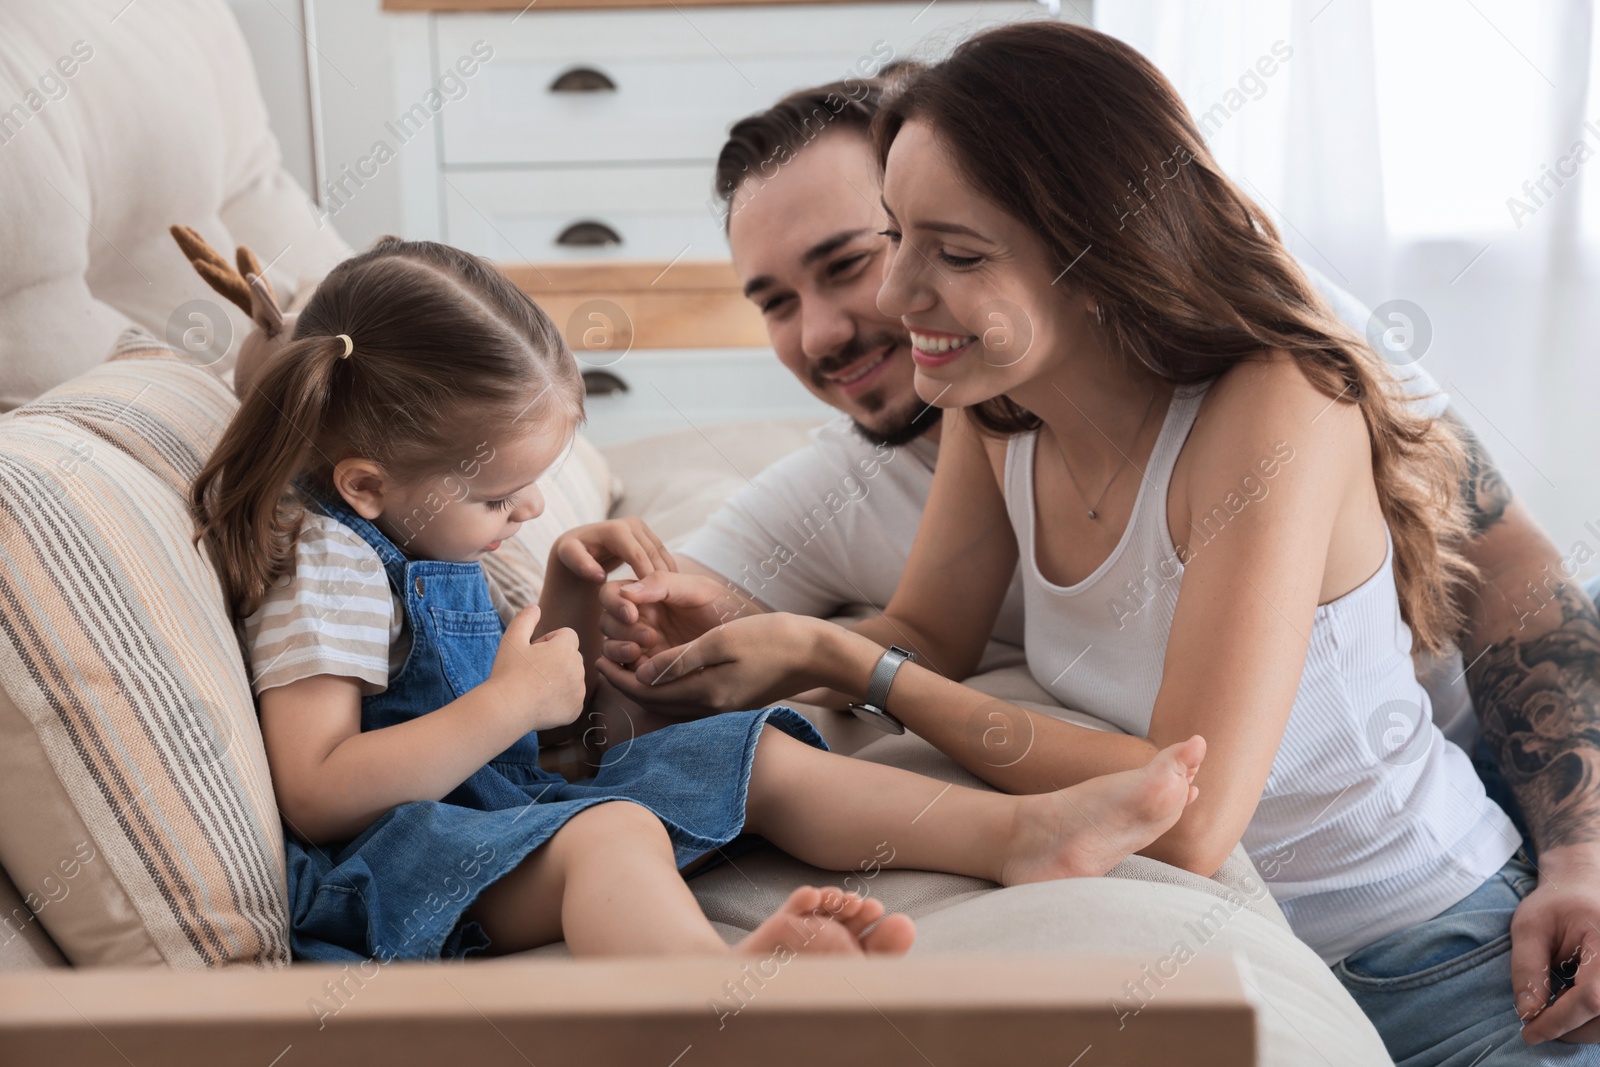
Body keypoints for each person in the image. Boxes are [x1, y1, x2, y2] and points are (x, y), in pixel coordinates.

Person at [595, 23, 1600, 1062]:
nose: (894, 300)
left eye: (955, 253)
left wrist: (848, 657)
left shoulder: (1275, 400)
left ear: (1097, 251)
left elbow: (1189, 816)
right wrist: (761, 639)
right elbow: (925, 634)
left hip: (1444, 955)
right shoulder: (997, 407)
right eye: (897, 238)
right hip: (1257, 958)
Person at [188, 235, 1207, 963]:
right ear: (365, 482)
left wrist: (566, 596)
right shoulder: (326, 566)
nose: (530, 505)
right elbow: (319, 789)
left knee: (753, 749)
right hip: (406, 874)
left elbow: (552, 745)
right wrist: (510, 700)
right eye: (502, 495)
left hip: (497, 813)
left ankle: (1020, 834)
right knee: (612, 835)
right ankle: (717, 1002)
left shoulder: (410, 531)